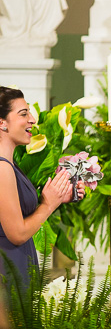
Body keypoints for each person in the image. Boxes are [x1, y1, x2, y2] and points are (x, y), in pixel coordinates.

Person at [0, 86, 80, 290]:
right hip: (8, 273)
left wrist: (60, 195)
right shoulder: (2, 167)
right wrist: (48, 205)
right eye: (23, 114)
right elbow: (17, 233)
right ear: (2, 123)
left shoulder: (10, 165)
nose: (32, 120)